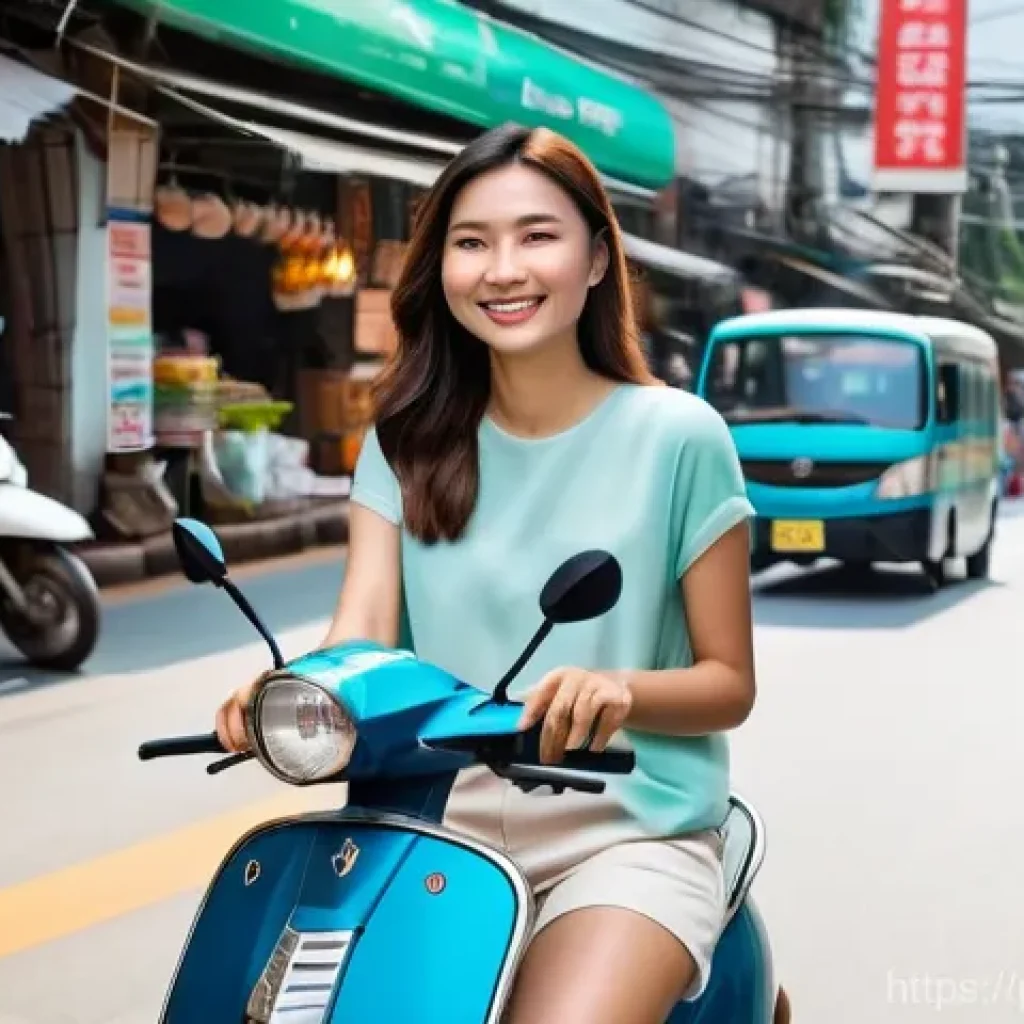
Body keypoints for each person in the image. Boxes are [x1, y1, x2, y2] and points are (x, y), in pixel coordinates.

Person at [214, 122, 756, 1024]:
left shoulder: (679, 436)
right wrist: (291, 690)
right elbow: (363, 635)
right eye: (472, 243)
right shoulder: (403, 442)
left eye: (537, 235)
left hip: (624, 832)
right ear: (442, 271)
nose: (503, 269)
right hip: (428, 821)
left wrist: (613, 688)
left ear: (594, 259)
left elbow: (727, 683)